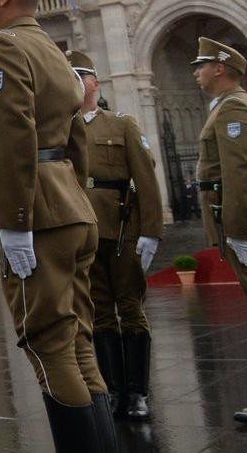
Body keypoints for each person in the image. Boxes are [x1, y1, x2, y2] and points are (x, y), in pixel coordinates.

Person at [0, 0, 115, 448]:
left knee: (48, 347)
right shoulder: (54, 52)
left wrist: (14, 222)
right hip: (70, 208)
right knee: (77, 345)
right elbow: (77, 143)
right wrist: (74, 195)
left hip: (37, 218)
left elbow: (9, 140)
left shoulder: (2, 49)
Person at [69, 50, 163, 421]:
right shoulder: (64, 130)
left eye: (81, 76)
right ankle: (112, 390)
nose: (75, 83)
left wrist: (151, 232)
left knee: (131, 310)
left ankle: (138, 393)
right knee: (99, 315)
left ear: (94, 82)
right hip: (85, 232)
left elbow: (146, 179)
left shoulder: (121, 124)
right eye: (69, 77)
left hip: (123, 230)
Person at [191, 37, 247, 424]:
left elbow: (239, 173)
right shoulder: (227, 107)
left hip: (241, 221)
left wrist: (240, 230)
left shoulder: (234, 109)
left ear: (220, 68)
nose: (196, 72)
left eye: (201, 65)